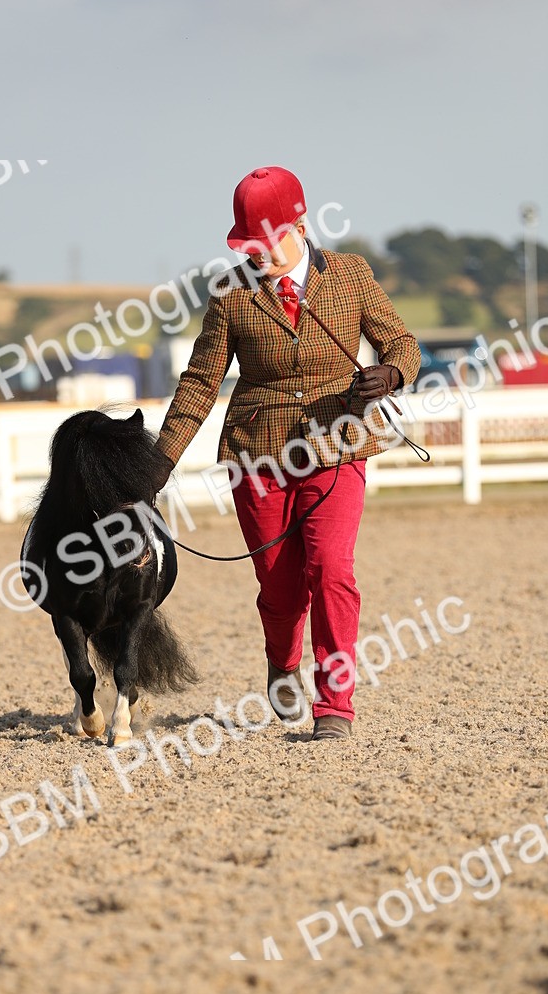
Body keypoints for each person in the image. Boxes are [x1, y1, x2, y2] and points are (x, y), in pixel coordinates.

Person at [152, 166, 422, 741]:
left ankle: (335, 705)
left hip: (338, 444)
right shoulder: (231, 293)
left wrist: (392, 372)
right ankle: (282, 660)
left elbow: (401, 340)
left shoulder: (350, 276)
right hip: (258, 456)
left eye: (266, 241)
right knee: (280, 587)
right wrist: (158, 463)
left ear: (299, 223)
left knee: (332, 573)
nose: (258, 254)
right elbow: (201, 382)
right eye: (246, 244)